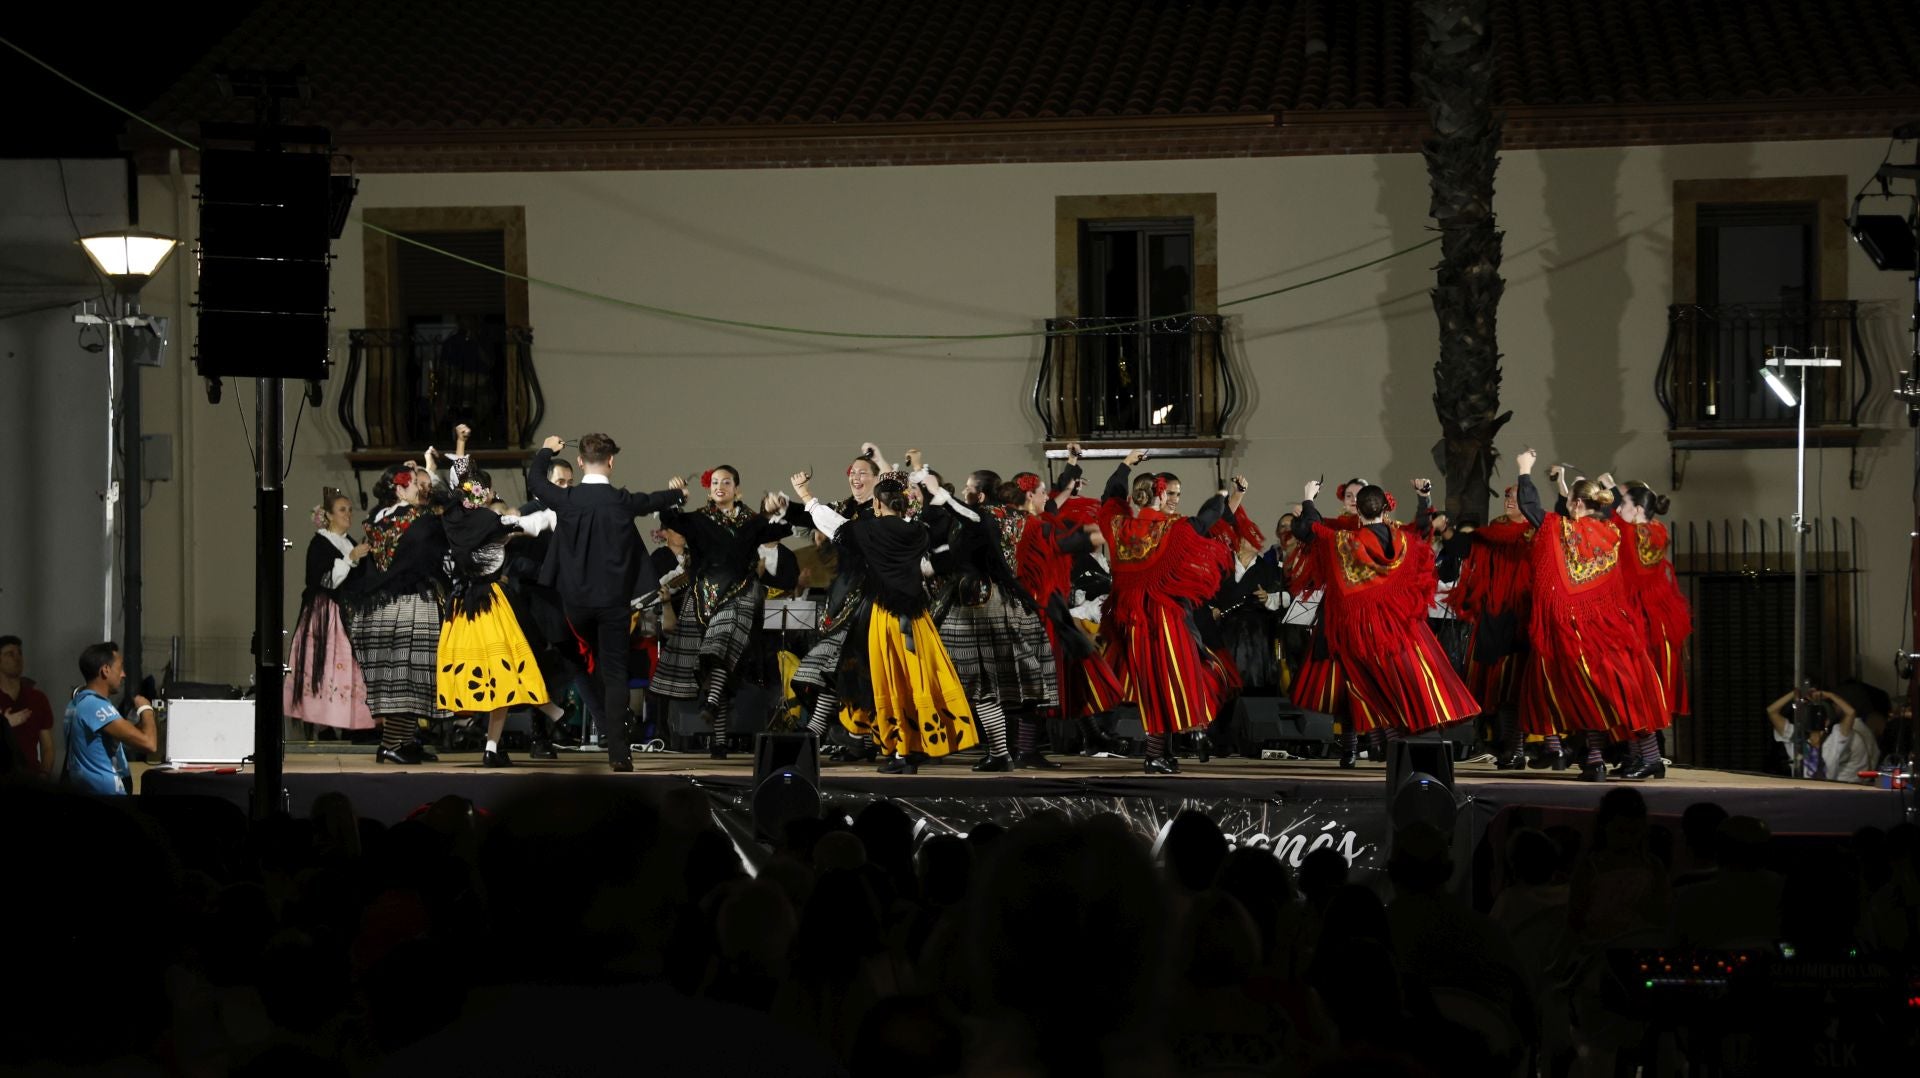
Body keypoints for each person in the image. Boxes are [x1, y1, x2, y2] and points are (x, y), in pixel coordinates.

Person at [791, 470, 979, 774]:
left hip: (886, 618)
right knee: (918, 678)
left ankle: (903, 751)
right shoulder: (919, 531)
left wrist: (806, 496)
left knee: (892, 682)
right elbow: (947, 529)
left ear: (878, 505)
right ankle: (919, 747)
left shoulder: (868, 531)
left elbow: (831, 524)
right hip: (917, 621)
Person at [527, 433, 687, 771]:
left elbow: (535, 480)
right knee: (615, 674)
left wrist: (546, 450)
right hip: (614, 603)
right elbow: (651, 500)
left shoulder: (567, 499)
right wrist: (678, 493)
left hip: (575, 604)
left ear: (581, 463)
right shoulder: (620, 501)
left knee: (583, 660)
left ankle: (595, 712)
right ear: (612, 462)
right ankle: (619, 753)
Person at [1294, 477, 1478, 766]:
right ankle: (1384, 745)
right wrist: (1423, 498)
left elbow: (1311, 528)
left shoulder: (1345, 541)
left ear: (1359, 509)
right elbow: (1422, 528)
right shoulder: (1400, 538)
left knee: (1366, 686)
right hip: (1397, 627)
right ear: (1385, 508)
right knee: (1399, 684)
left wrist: (1308, 498)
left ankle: (1385, 745)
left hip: (1358, 630)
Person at [1511, 449, 1666, 781]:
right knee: (1607, 693)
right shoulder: (1610, 531)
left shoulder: (1562, 530)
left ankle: (1643, 758)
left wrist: (1525, 470)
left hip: (1578, 631)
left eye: (1569, 503)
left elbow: (1530, 509)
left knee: (1600, 693)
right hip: (1611, 629)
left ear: (1577, 505)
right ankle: (1595, 759)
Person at [1097, 450, 1233, 774]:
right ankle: (1155, 755)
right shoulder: (1172, 530)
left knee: (1153, 686)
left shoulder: (1117, 526)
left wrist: (1125, 465)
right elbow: (1204, 520)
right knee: (1169, 684)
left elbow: (1109, 497)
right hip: (1162, 618)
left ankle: (1162, 752)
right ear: (1160, 494)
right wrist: (1222, 496)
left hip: (1130, 620)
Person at [650, 465, 794, 759]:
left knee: (720, 642)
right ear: (709, 489)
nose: (720, 486)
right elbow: (669, 517)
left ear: (736, 488)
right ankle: (718, 739)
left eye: (726, 482)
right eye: (715, 482)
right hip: (704, 597)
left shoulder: (751, 520)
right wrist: (674, 494)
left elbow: (781, 530)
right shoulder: (699, 519)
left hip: (740, 594)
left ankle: (712, 703)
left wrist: (779, 508)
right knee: (720, 664)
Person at [439, 436, 552, 768]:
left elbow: (458, 486)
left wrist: (460, 448)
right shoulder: (490, 522)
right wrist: (557, 511)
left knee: (475, 669)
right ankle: (492, 744)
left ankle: (481, 735)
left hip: (459, 606)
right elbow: (530, 525)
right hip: (488, 603)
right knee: (505, 671)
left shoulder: (453, 518)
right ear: (483, 493)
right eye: (487, 491)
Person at [338, 455, 453, 765]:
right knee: (410, 676)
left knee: (397, 678)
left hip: (378, 607)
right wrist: (431, 471)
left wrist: (412, 472)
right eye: (416, 484)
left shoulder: (375, 518)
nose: (422, 488)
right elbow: (447, 509)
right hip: (410, 603)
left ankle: (403, 741)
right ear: (400, 490)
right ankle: (391, 744)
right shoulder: (422, 520)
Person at [1446, 486, 1543, 770]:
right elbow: (1466, 547)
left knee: (1514, 687)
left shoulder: (1536, 531)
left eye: (1517, 497)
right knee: (1498, 689)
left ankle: (1517, 748)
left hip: (1521, 615)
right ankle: (1509, 747)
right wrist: (1445, 530)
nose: (1510, 501)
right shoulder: (1494, 529)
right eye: (1507, 496)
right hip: (1494, 614)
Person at [283, 488, 375, 735]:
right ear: (329, 516)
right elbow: (324, 580)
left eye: (349, 510)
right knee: (325, 665)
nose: (348, 515)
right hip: (325, 615)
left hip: (347, 613)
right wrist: (350, 559)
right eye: (342, 510)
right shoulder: (320, 543)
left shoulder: (349, 542)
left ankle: (348, 722)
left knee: (345, 667)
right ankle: (324, 724)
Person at [62, 642, 156, 796]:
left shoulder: (78, 703)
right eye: (120, 668)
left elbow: (120, 739)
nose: (123, 674)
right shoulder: (95, 706)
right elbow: (149, 743)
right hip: (106, 798)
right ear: (105, 670)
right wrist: (146, 709)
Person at [1766, 686, 1875, 782]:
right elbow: (1771, 711)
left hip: (1828, 794)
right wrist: (1795, 694)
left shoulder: (1835, 740)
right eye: (1810, 715)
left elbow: (1850, 712)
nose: (1813, 718)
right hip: (1801, 793)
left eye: (1817, 715)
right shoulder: (1794, 737)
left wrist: (1829, 695)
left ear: (1826, 720)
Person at [0, 635, 55, 776]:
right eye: (10, 654)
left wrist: (44, 775)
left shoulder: (37, 698)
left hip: (31, 779)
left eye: (20, 653)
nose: (17, 658)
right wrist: (4, 724)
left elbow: (47, 747)